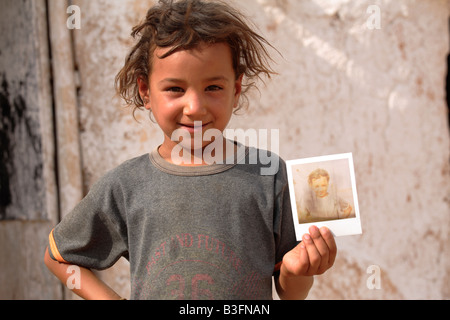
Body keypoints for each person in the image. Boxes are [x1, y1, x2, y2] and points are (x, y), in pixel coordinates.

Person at [44, 0, 337, 300]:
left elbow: (291, 293)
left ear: (235, 91)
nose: (195, 108)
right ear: (146, 91)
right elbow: (59, 256)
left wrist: (297, 271)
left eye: (213, 88)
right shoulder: (125, 186)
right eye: (175, 89)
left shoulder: (269, 174)